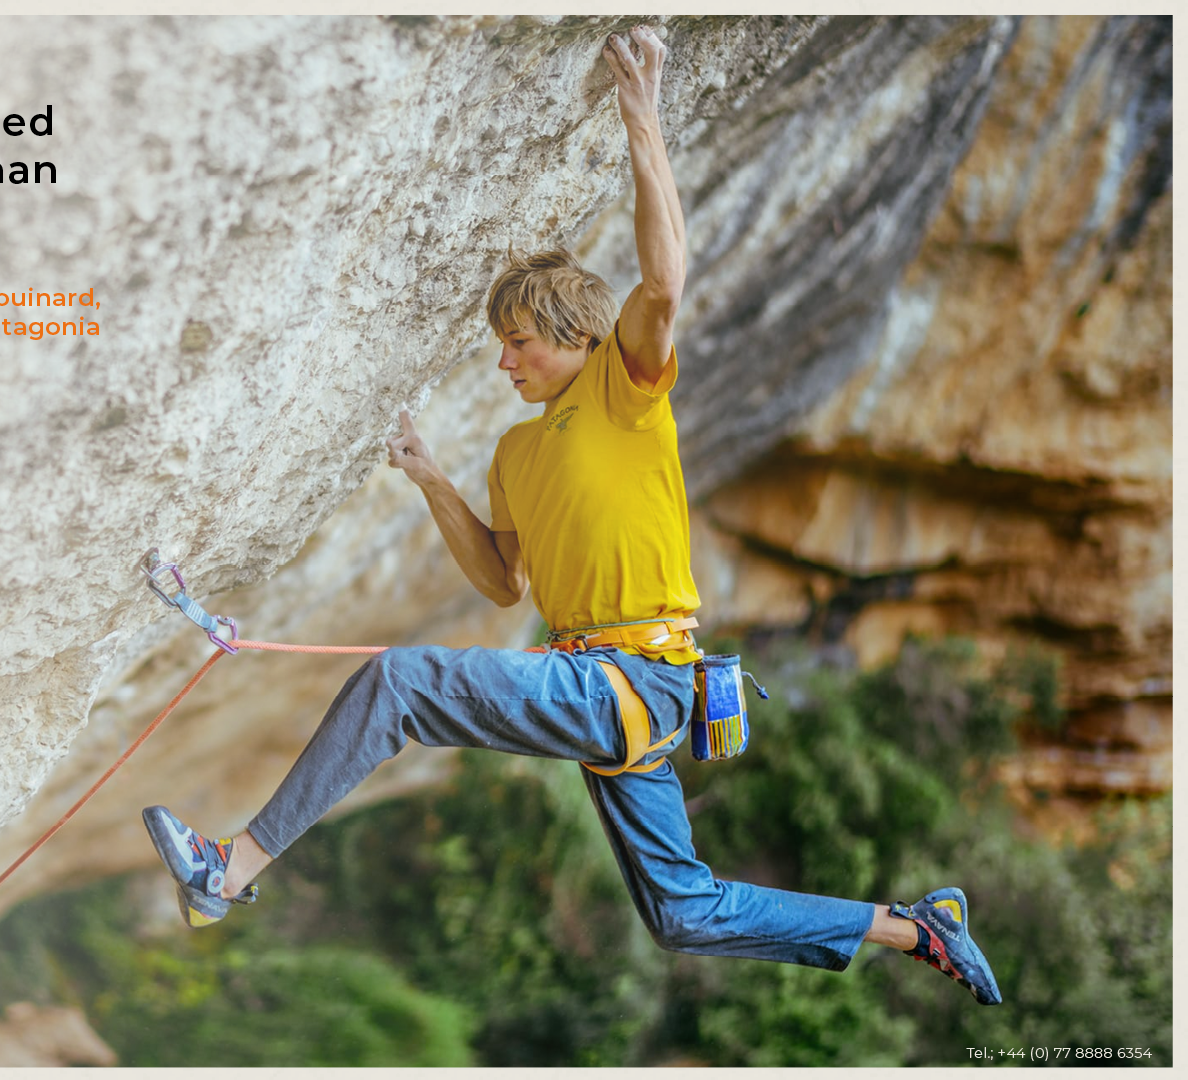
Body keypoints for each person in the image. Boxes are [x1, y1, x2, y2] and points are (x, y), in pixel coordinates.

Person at [141, 26, 1000, 1005]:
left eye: (516, 343)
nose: (504, 364)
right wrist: (431, 478)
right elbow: (505, 580)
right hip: (603, 686)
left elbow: (666, 281)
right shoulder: (513, 453)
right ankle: (910, 928)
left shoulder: (622, 389)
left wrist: (643, 110)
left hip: (641, 679)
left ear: (571, 336)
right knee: (683, 912)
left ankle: (229, 869)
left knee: (399, 684)